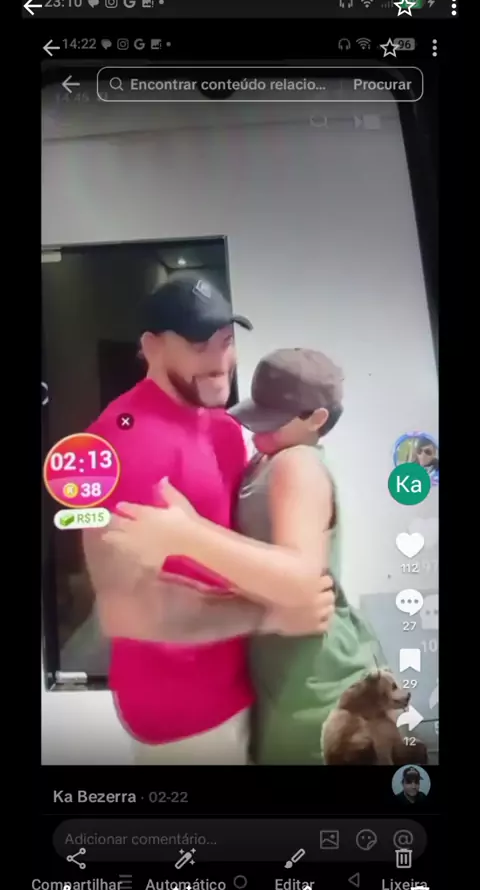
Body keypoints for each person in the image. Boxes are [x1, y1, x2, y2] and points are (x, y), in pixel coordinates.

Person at [83, 278, 335, 765]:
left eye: (226, 341)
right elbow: (128, 611)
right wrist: (268, 616)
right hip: (183, 714)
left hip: (249, 684)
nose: (220, 361)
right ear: (152, 347)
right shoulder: (120, 444)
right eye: (199, 345)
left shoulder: (222, 426)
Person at [105, 347, 384, 765]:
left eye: (273, 418)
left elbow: (301, 579)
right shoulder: (264, 461)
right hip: (282, 670)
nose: (257, 430)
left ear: (316, 419)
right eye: (258, 412)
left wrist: (187, 534)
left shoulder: (297, 464)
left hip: (315, 676)